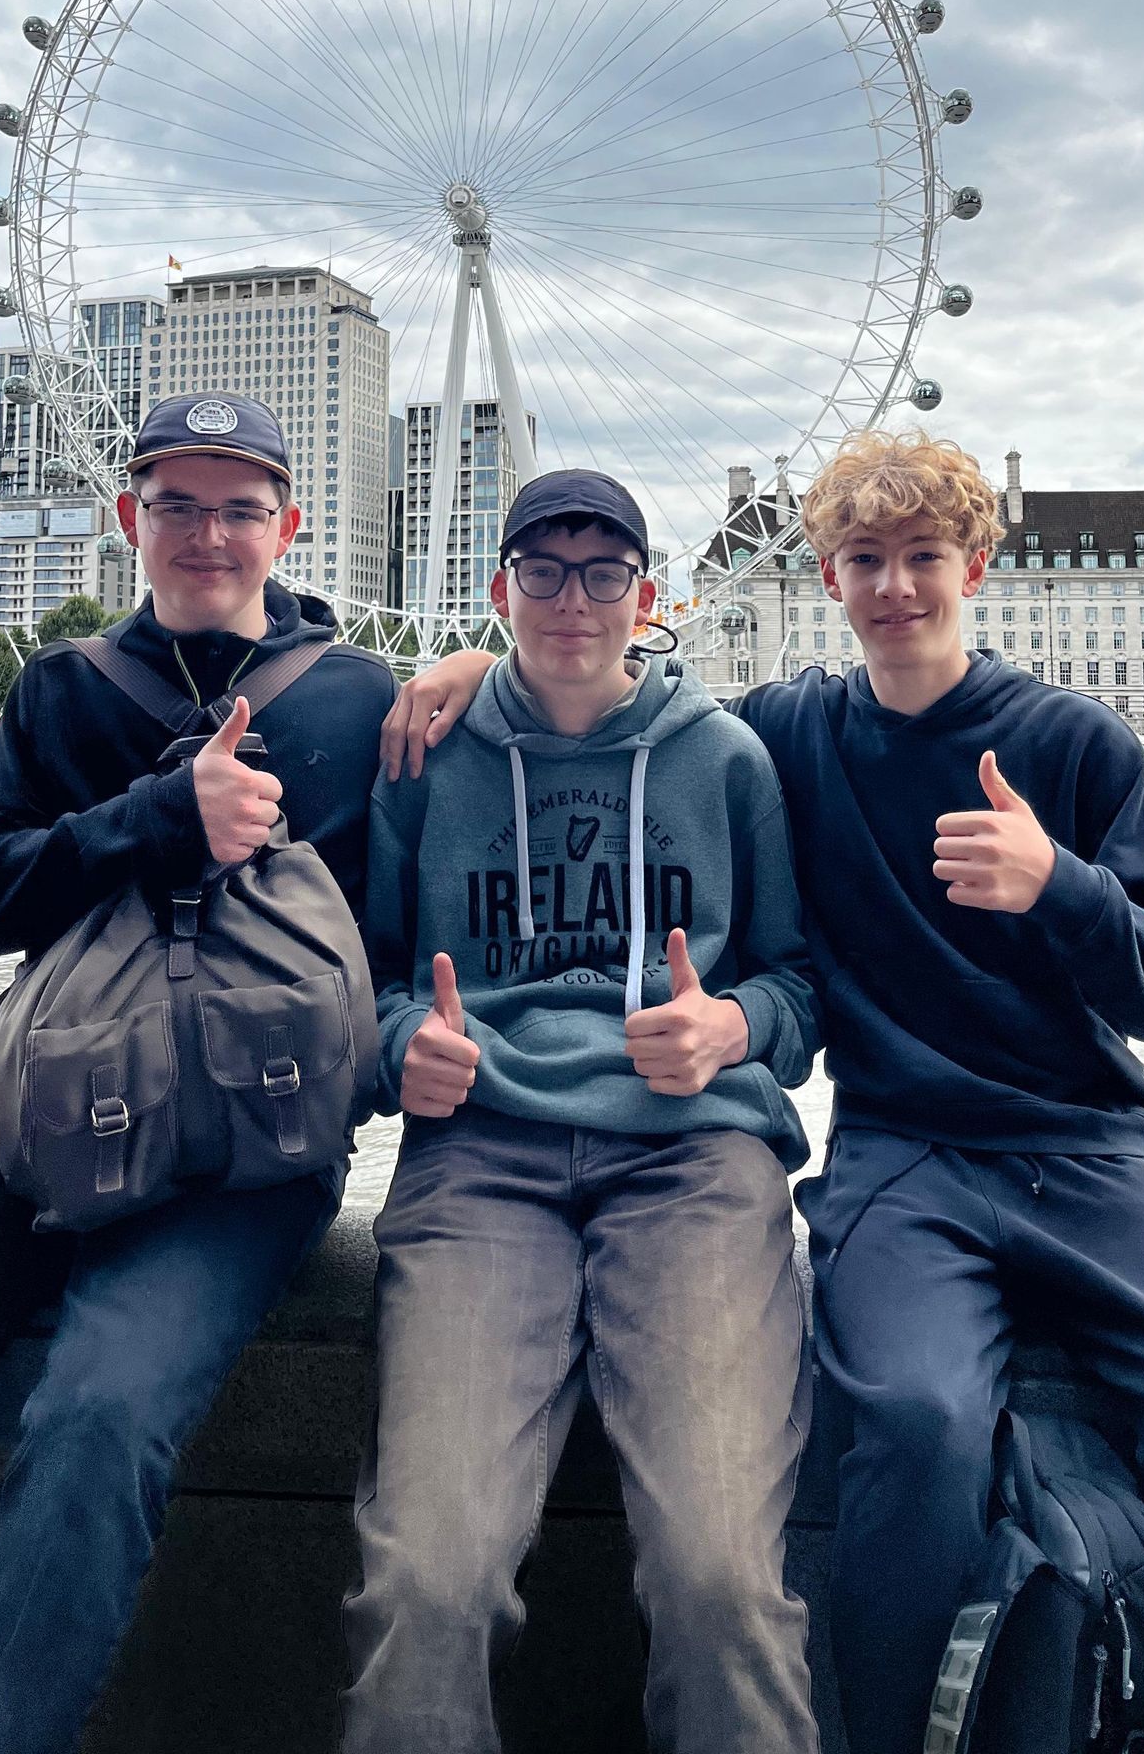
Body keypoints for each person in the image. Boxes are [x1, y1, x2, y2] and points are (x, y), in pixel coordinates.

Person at [386, 430, 1144, 1754]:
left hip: (1096, 1161)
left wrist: (1059, 886)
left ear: (976, 567)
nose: (894, 588)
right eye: (866, 561)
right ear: (828, 577)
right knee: (916, 1431)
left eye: (923, 558)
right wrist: (479, 665)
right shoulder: (790, 736)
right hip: (903, 1161)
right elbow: (615, 689)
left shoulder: (1077, 745)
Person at [0, 395, 394, 1754]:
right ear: (131, 520)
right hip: (40, 1101)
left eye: (240, 507)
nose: (208, 533)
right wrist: (153, 821)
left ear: (287, 528)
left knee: (96, 1424)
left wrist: (472, 676)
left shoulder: (363, 704)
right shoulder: (65, 686)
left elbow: (406, 936)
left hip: (250, 1145)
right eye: (176, 504)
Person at [342, 469, 823, 1754]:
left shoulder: (725, 760)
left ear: (645, 596)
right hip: (480, 1161)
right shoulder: (426, 755)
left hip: (696, 1163)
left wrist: (732, 1027)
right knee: (422, 1581)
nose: (572, 598)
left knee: (724, 1585)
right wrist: (404, 1051)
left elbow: (797, 987)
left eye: (603, 571)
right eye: (542, 571)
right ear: (499, 590)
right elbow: (370, 978)